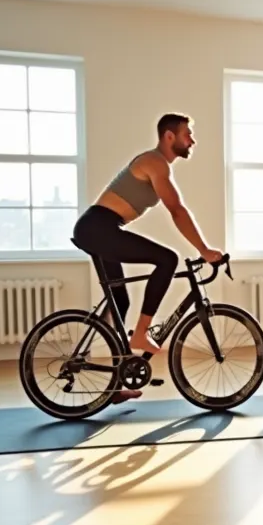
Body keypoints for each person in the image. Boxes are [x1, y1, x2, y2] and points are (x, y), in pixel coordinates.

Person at [72, 113, 224, 401]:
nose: (192, 140)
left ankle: (115, 385)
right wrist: (204, 250)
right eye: (187, 134)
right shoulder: (155, 162)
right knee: (167, 259)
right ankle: (140, 334)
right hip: (99, 227)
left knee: (120, 300)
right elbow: (177, 209)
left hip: (97, 228)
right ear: (169, 136)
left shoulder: (157, 165)